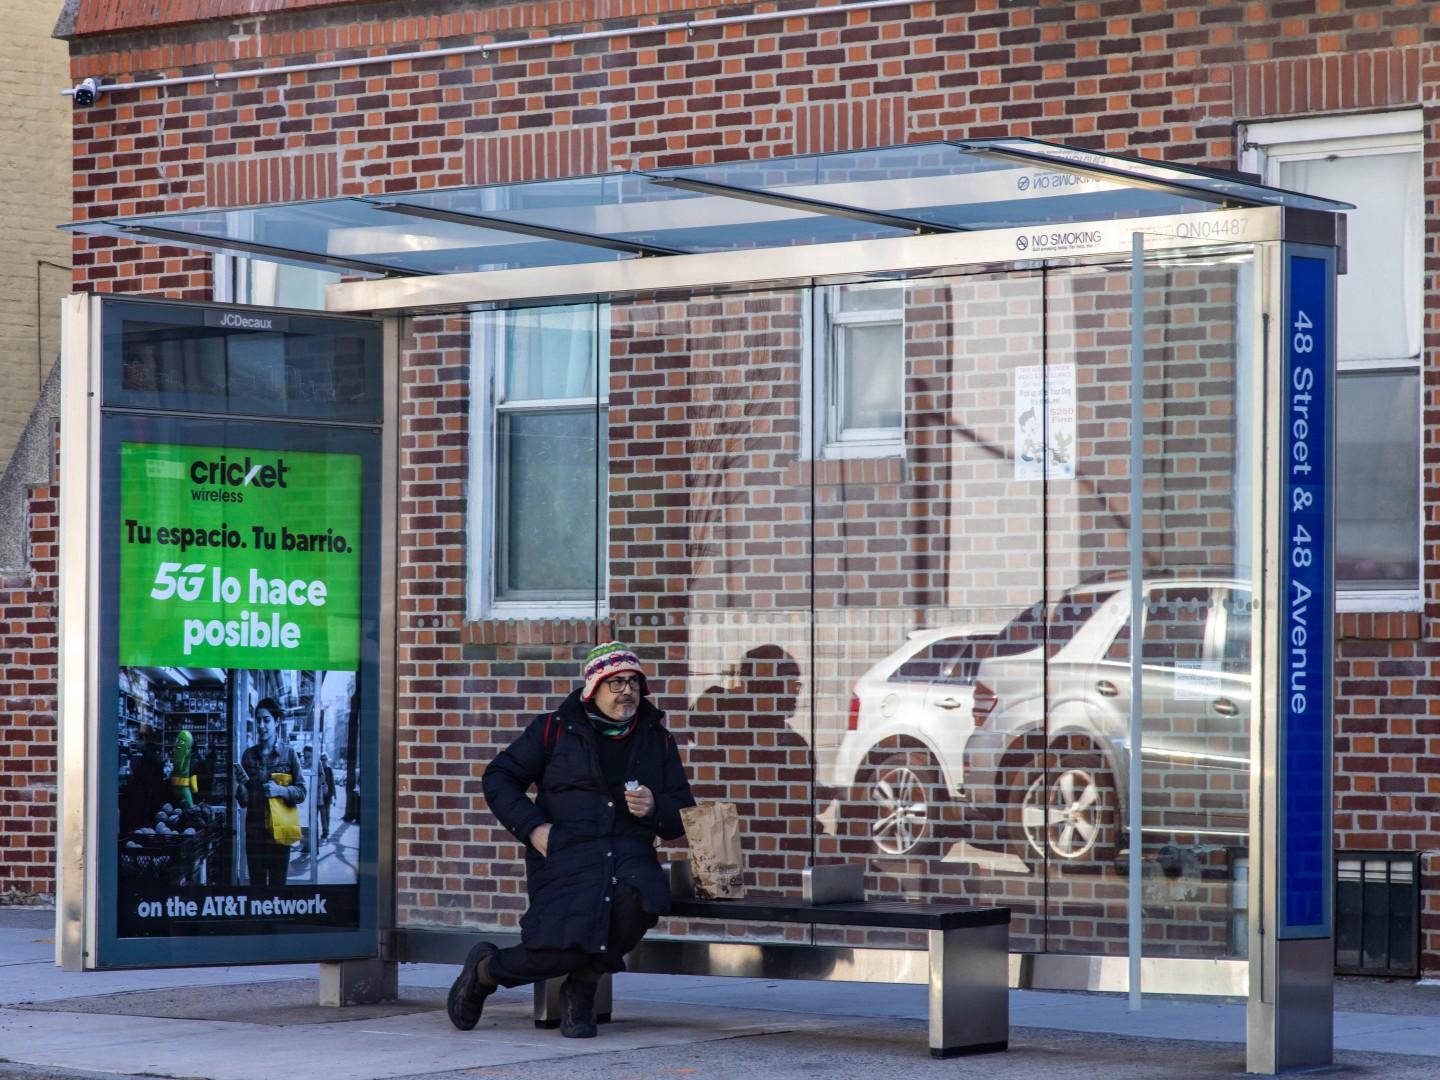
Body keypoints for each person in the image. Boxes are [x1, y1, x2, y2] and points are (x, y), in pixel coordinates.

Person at [448, 642, 695, 1039]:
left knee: (642, 900)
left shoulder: (658, 739)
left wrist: (655, 807)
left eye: (633, 682)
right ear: (592, 688)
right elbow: (498, 777)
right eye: (615, 683)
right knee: (554, 949)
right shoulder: (553, 729)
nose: (627, 691)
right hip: (566, 853)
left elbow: (683, 813)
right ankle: (485, 972)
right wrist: (533, 828)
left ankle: (582, 987)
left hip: (629, 857)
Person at [234, 697, 305, 888]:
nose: (261, 725)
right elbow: (243, 801)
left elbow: (301, 791)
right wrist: (241, 786)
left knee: (277, 886)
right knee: (256, 886)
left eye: (266, 720)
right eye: (258, 720)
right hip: (255, 833)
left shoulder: (289, 754)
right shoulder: (248, 755)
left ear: (277, 721)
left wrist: (280, 790)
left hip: (279, 832)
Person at [318, 752, 337, 840]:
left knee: (327, 814)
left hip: (328, 795)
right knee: (322, 814)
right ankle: (324, 831)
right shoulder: (318, 769)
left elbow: (332, 783)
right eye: (322, 759)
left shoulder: (329, 769)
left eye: (325, 759)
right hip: (320, 795)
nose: (324, 761)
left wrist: (334, 796)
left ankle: (326, 831)